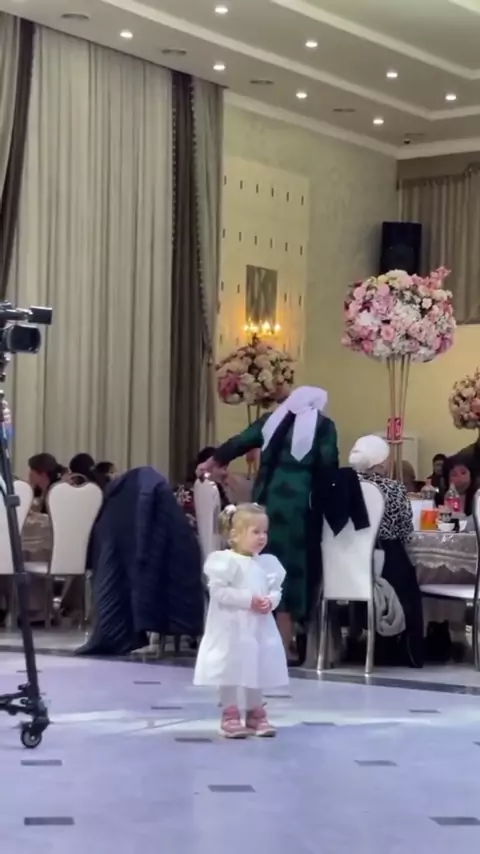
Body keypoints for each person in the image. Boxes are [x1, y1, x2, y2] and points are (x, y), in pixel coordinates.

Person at [196, 386, 339, 661]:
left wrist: (211, 462)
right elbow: (329, 464)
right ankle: (285, 644)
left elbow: (239, 442)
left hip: (266, 504)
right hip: (300, 507)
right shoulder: (323, 426)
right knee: (292, 572)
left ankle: (260, 641)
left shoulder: (272, 420)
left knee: (264, 566)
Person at [194, 503, 288, 738]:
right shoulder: (224, 561)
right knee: (230, 668)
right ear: (234, 535)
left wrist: (270, 601)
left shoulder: (267, 563)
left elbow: (276, 590)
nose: (262, 537)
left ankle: (255, 711)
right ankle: (230, 712)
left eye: (264, 532)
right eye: (255, 532)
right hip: (231, 628)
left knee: (256, 665)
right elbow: (219, 592)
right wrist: (248, 600)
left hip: (257, 628)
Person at [349, 435, 423, 667]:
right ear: (381, 463)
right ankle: (406, 648)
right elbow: (405, 531)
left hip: (343, 563)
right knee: (408, 577)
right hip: (382, 561)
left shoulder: (338, 485)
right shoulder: (393, 488)